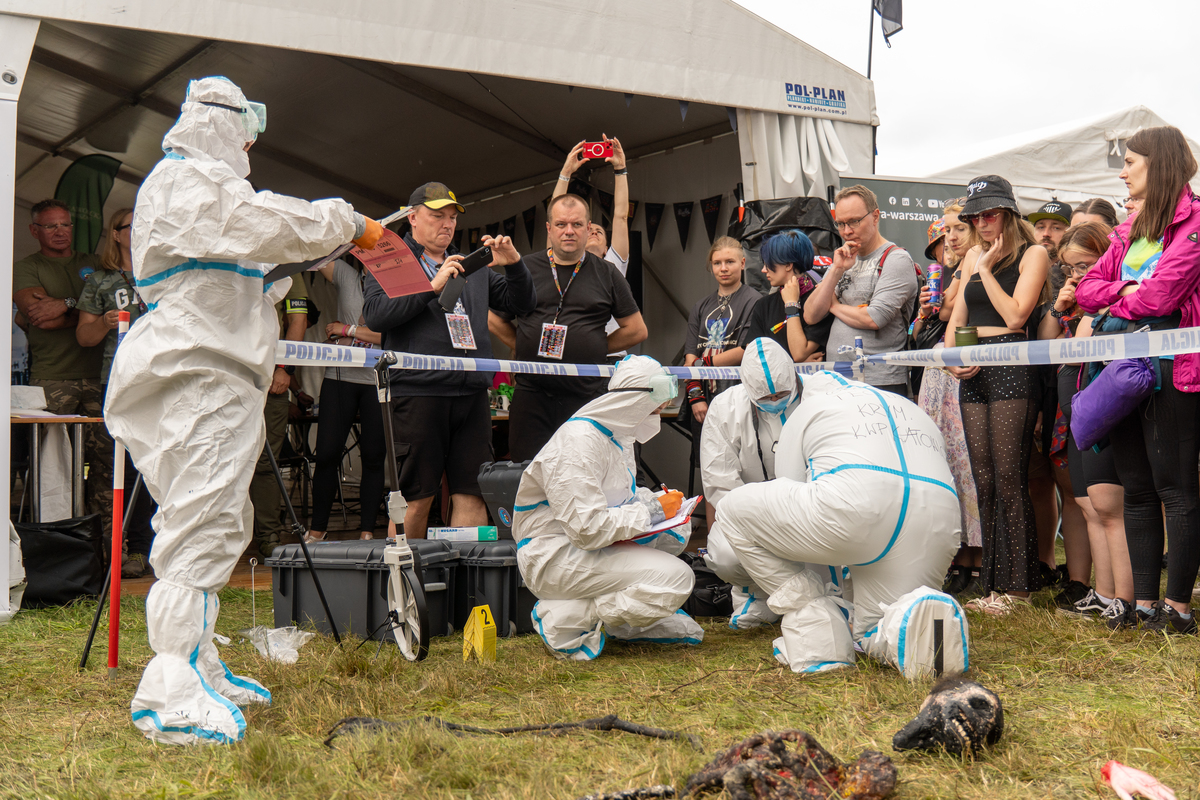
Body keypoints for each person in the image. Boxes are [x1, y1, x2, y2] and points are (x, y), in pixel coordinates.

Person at [104, 76, 384, 745]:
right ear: (222, 122)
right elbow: (254, 223)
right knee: (199, 520)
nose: (253, 139)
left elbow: (240, 260)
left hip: (223, 371)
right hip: (196, 370)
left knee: (225, 520)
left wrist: (300, 256)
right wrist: (342, 222)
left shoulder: (205, 187)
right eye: (247, 124)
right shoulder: (184, 181)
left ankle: (199, 659)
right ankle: (169, 687)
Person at [716, 370, 960, 674]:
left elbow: (791, 488)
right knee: (874, 626)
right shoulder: (906, 406)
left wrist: (828, 579)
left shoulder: (808, 410)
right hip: (937, 517)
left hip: (856, 509)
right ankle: (917, 626)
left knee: (732, 509)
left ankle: (819, 634)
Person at [1076, 125, 1200, 633]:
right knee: (1137, 488)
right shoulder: (1129, 229)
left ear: (1161, 165)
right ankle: (1144, 604)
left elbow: (1161, 299)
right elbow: (1085, 290)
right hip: (1121, 369)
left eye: (1131, 162)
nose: (1122, 172)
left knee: (1176, 488)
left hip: (1173, 371)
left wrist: (1119, 295)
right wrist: (1127, 289)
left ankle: (1178, 610)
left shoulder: (1195, 223)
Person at [363, 182, 534, 539]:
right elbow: (376, 316)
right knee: (416, 497)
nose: (447, 224)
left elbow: (522, 305)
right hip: (419, 392)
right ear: (412, 218)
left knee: (472, 494)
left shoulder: (472, 266)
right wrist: (431, 287)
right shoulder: (389, 260)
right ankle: (404, 589)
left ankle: (463, 591)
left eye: (452, 217)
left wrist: (515, 265)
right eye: (437, 215)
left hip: (470, 393)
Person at [514, 355, 703, 660]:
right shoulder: (578, 443)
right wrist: (652, 512)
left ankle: (625, 622)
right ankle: (568, 614)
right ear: (634, 403)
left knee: (676, 533)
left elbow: (618, 496)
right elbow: (586, 529)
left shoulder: (616, 437)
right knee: (677, 579)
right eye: (654, 409)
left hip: (588, 549)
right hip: (554, 556)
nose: (658, 416)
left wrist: (660, 504)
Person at [945, 175, 1051, 616]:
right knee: (984, 480)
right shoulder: (970, 253)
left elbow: (1015, 316)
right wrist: (952, 357)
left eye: (989, 214)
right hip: (973, 370)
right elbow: (957, 320)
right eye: (975, 216)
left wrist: (986, 270)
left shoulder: (1034, 253)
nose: (981, 223)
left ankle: (1021, 588)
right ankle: (992, 586)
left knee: (1010, 477)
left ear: (1008, 212)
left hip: (1011, 365)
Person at [502, 194, 647, 461]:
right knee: (528, 474)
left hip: (585, 395)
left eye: (577, 225)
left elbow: (637, 329)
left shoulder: (608, 273)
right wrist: (520, 342)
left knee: (582, 474)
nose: (569, 231)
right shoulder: (525, 269)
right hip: (532, 396)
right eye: (561, 225)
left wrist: (596, 345)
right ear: (549, 228)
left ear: (588, 228)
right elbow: (494, 317)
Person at [1036, 222, 1131, 621]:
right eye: (1070, 268)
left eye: (1085, 265)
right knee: (1087, 505)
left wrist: (1086, 311)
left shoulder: (1108, 302)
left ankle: (1123, 598)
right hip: (1071, 408)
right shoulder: (1073, 302)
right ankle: (1102, 592)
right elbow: (1045, 347)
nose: (1077, 275)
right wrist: (1060, 308)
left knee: (1106, 506)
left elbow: (1084, 347)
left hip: (1099, 408)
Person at [13, 199, 107, 521]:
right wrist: (89, 314)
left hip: (102, 377)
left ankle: (108, 553)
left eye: (65, 224)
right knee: (53, 469)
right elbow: (39, 317)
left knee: (106, 468)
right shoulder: (26, 266)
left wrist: (65, 303)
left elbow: (111, 311)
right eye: (51, 226)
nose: (60, 232)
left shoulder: (95, 262)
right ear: (34, 230)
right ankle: (62, 548)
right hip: (53, 378)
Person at [700, 337, 801, 629]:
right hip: (751, 518)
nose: (775, 402)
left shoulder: (818, 396)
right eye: (765, 398)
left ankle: (823, 596)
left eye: (782, 394)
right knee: (725, 554)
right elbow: (720, 484)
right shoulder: (725, 408)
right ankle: (754, 594)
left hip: (811, 511)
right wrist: (763, 522)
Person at [76, 207, 156, 578]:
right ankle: (117, 551)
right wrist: (106, 323)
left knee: (154, 465)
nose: (141, 230)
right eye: (132, 225)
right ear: (117, 234)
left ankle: (146, 549)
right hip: (120, 380)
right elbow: (83, 336)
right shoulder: (101, 281)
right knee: (120, 465)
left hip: (162, 380)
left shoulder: (163, 272)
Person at [914, 202, 983, 597]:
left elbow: (956, 316)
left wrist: (940, 309)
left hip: (961, 370)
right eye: (945, 235)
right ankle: (955, 558)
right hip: (936, 371)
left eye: (958, 230)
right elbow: (931, 322)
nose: (951, 240)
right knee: (940, 460)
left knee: (968, 463)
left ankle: (977, 558)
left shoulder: (975, 265)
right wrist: (926, 310)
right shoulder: (947, 274)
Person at [804, 185, 918, 394]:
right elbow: (811, 314)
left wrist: (835, 306)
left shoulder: (896, 259)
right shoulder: (842, 259)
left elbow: (874, 318)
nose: (847, 231)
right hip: (836, 378)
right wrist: (837, 269)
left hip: (879, 380)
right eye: (840, 223)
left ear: (875, 216)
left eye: (854, 221)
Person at [304, 254, 385, 544]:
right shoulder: (349, 276)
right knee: (326, 454)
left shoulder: (395, 286)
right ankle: (317, 529)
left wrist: (347, 330)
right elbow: (313, 258)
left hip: (377, 380)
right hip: (340, 378)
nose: (374, 255)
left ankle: (366, 531)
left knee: (375, 457)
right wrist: (351, 233)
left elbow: (391, 335)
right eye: (367, 249)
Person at [682, 236, 761, 532]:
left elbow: (744, 351)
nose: (723, 268)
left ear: (742, 263)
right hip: (704, 403)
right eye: (717, 263)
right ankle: (715, 542)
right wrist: (694, 397)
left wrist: (704, 364)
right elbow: (690, 357)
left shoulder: (754, 301)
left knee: (744, 468)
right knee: (713, 473)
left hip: (740, 399)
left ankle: (743, 537)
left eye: (730, 262)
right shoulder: (700, 307)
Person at [247, 276, 309, 557]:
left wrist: (285, 368)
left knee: (266, 461)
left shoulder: (288, 270)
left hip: (272, 378)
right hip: (230, 375)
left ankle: (268, 535)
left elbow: (298, 321)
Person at [744, 229, 833, 363]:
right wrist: (793, 364)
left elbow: (799, 353)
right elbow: (752, 356)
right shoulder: (763, 305)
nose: (763, 270)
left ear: (788, 265)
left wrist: (791, 304)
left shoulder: (819, 303)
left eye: (769, 264)